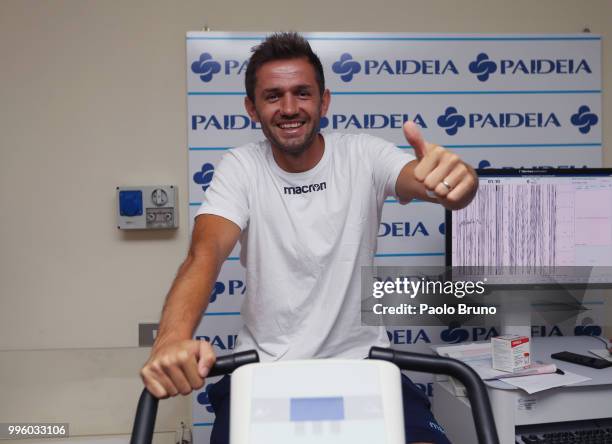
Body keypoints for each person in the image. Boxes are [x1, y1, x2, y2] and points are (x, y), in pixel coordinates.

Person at [141, 32, 477, 444]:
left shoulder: (363, 155)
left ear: (324, 101)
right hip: (264, 369)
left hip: (364, 364)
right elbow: (204, 253)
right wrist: (171, 339)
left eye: (302, 93)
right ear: (251, 108)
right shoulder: (240, 168)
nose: (288, 108)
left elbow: (426, 182)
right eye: (272, 96)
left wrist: (459, 184)